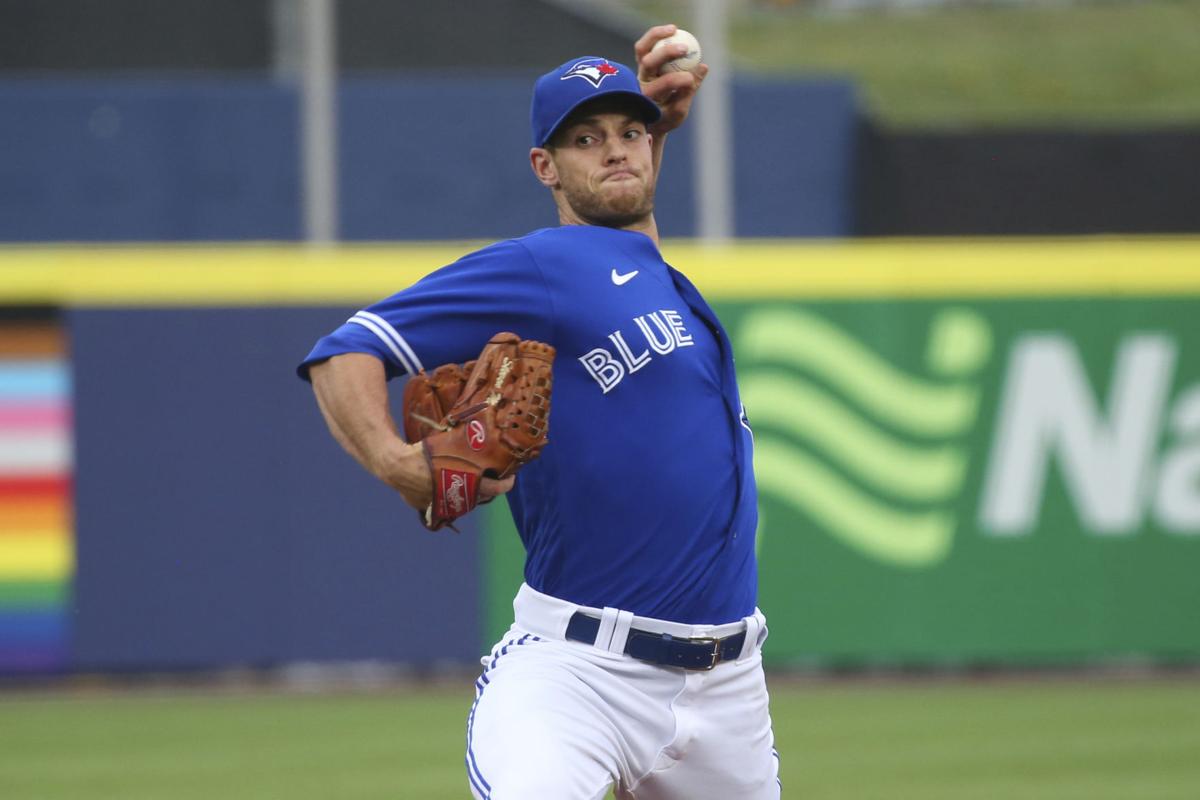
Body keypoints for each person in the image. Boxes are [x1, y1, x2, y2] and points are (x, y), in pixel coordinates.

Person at [298, 25, 780, 800]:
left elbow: (629, 231)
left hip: (730, 690)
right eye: (586, 140)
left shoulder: (652, 273)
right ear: (545, 167)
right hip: (579, 676)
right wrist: (396, 464)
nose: (615, 150)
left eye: (629, 133)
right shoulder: (542, 266)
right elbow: (343, 353)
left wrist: (653, 130)